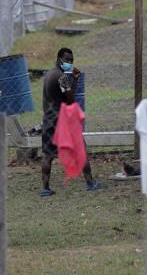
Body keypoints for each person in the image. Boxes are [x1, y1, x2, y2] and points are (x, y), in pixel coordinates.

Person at [40, 48, 101, 196]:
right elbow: (70, 100)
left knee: (48, 155)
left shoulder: (49, 74)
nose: (70, 63)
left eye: (72, 61)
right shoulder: (61, 77)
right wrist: (76, 79)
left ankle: (45, 188)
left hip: (49, 118)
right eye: (67, 60)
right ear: (59, 58)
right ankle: (90, 183)